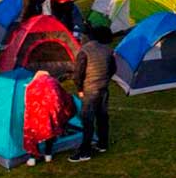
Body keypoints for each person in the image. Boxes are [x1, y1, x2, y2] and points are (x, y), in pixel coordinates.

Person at [70, 26, 116, 162]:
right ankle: (103, 143)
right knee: (102, 117)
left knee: (88, 121)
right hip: (103, 88)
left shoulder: (84, 51)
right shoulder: (107, 50)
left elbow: (78, 74)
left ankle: (85, 152)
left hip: (90, 90)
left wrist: (80, 89)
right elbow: (113, 69)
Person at [23, 70, 76, 166]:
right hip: (50, 111)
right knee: (50, 129)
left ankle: (32, 158)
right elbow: (64, 96)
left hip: (35, 113)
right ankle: (48, 154)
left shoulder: (31, 85)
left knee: (32, 133)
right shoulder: (53, 81)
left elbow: (26, 102)